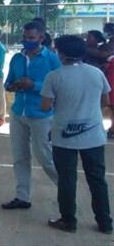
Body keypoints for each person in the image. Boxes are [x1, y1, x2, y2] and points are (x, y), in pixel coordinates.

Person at [40, 35, 112, 234]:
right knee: (97, 179)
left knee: (67, 179)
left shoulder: (54, 76)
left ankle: (69, 221)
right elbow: (105, 101)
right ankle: (105, 222)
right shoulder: (96, 73)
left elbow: (45, 106)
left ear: (61, 53)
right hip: (93, 135)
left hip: (64, 135)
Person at [0, 21, 60, 211]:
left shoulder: (51, 59)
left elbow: (58, 87)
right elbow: (8, 81)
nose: (27, 41)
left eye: (31, 38)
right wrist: (12, 85)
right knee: (19, 157)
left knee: (44, 156)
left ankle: (66, 189)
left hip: (41, 114)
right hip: (19, 111)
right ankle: (22, 196)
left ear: (41, 38)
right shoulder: (17, 58)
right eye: (25, 38)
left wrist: (32, 85)